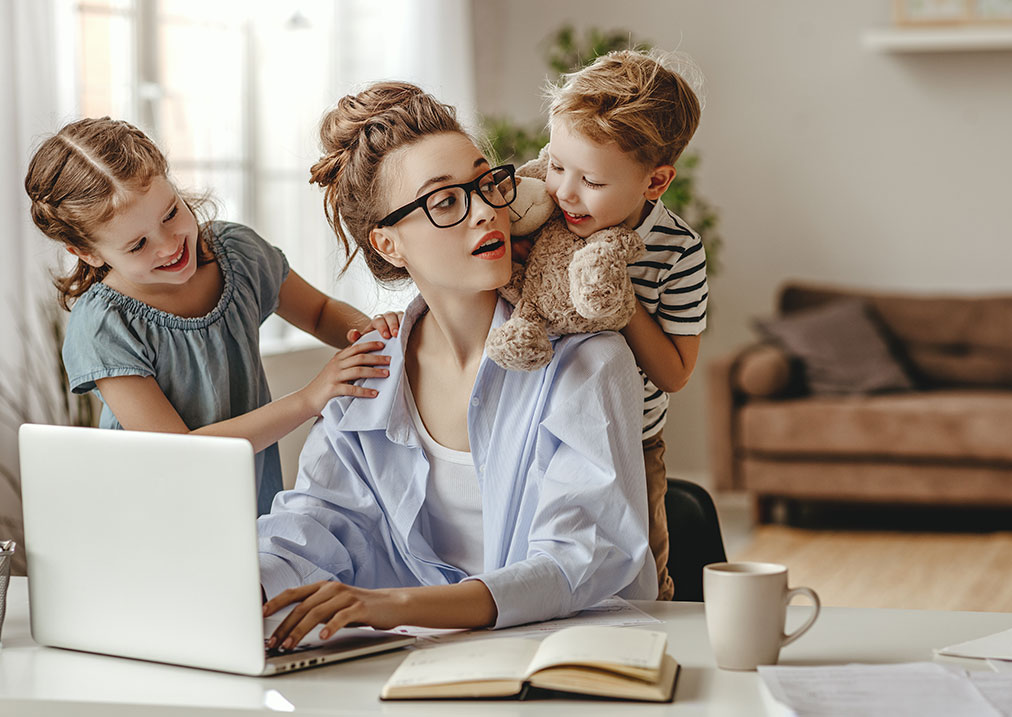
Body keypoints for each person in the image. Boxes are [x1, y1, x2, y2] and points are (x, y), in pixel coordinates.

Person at [257, 82, 655, 651]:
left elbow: (581, 560)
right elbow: (315, 524)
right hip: (414, 668)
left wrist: (394, 605)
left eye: (485, 183)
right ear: (389, 244)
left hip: (566, 661)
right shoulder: (368, 374)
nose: (486, 212)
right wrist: (251, 583)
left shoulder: (587, 362)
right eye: (446, 201)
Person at [25, 117, 399, 515]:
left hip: (246, 499)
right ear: (88, 253)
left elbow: (322, 313)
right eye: (138, 245)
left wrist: (371, 334)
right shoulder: (104, 326)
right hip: (154, 518)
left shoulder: (238, 253)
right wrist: (309, 399)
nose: (170, 245)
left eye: (170, 213)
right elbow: (180, 452)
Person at [534, 49, 708, 600]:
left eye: (591, 180)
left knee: (641, 577)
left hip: (631, 442)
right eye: (557, 165)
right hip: (541, 429)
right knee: (541, 566)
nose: (565, 191)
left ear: (654, 182)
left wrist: (621, 302)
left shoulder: (677, 251)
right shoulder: (542, 211)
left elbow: (677, 373)